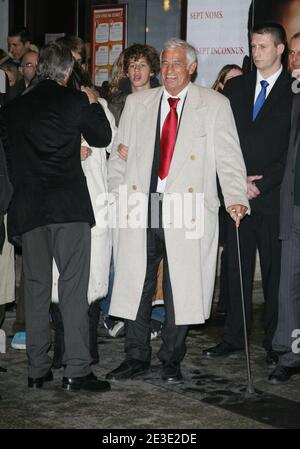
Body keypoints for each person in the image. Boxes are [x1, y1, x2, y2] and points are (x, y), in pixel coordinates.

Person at [106, 37, 249, 384]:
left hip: (188, 208)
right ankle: (135, 355)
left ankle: (171, 358)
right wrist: (115, 196)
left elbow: (229, 158)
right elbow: (118, 160)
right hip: (144, 205)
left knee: (179, 285)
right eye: (166, 63)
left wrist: (235, 196)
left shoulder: (214, 105)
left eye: (176, 64)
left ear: (192, 68)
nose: (169, 70)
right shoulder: (138, 103)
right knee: (136, 282)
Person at [0, 42, 112, 392]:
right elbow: (102, 136)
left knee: (34, 289)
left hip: (30, 209)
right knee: (72, 288)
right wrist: (92, 103)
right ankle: (76, 370)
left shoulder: (12, 109)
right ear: (66, 72)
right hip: (68, 209)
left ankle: (36, 370)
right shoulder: (74, 100)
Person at [203, 23, 293, 365]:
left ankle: (275, 342)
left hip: (273, 197)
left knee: (273, 275)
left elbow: (293, 149)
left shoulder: (294, 90)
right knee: (236, 271)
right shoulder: (236, 88)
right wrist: (236, 180)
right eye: (253, 46)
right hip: (236, 192)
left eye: (264, 47)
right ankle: (233, 337)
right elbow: (221, 139)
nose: (257, 53)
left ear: (280, 49)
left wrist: (264, 181)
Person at [268, 91, 300, 384]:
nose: (296, 60)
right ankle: (289, 355)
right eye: (293, 54)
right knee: (287, 286)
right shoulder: (294, 101)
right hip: (293, 207)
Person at [211, 64, 243, 318]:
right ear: (220, 84)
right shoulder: (213, 108)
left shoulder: (245, 111)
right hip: (213, 191)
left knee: (232, 252)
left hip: (234, 191)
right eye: (230, 81)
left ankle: (225, 306)